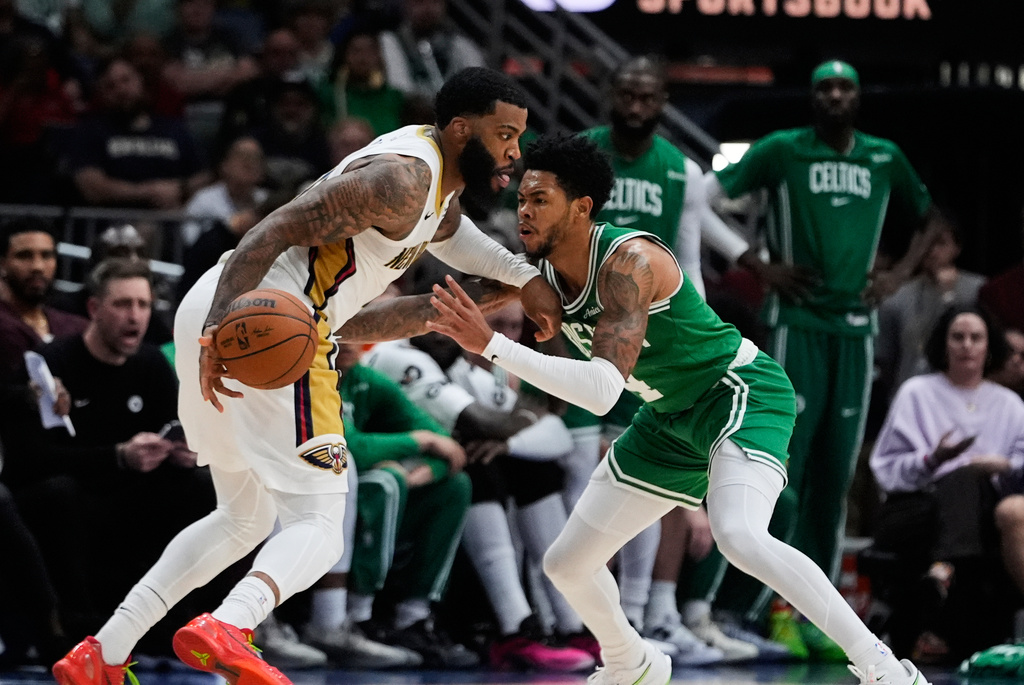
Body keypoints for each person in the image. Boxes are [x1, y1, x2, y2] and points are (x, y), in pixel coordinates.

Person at [336, 132, 931, 685]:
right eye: (521, 199)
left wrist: (491, 345)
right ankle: (631, 662)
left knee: (740, 536)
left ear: (582, 207)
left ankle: (883, 667)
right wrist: (322, 322)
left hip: (736, 393)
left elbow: (600, 392)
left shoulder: (628, 264)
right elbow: (426, 311)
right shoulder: (537, 274)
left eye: (539, 200)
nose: (523, 212)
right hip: (668, 416)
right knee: (567, 563)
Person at [52, 66, 561, 685]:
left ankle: (101, 654)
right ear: (461, 130)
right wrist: (223, 328)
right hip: (257, 316)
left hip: (233, 311)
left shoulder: (433, 193)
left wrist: (527, 281)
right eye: (504, 135)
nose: (514, 152)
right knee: (321, 526)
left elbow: (446, 265)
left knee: (242, 517)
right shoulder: (404, 179)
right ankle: (230, 625)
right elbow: (275, 227)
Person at [702, 60, 949, 638]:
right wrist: (756, 263)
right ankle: (743, 606)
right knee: (779, 465)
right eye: (824, 88)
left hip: (856, 331)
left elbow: (930, 217)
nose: (835, 96)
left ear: (858, 97)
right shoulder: (782, 150)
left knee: (835, 476)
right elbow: (702, 198)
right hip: (794, 322)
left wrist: (899, 277)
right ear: (811, 98)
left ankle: (815, 613)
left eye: (844, 88)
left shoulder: (884, 156)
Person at [578, 54, 755, 663]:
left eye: (646, 95)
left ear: (662, 102)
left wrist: (701, 344)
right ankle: (611, 617)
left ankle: (657, 612)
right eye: (625, 92)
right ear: (609, 94)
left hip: (657, 343)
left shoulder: (681, 170)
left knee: (676, 469)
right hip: (589, 329)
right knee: (604, 472)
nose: (634, 104)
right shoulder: (581, 155)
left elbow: (686, 262)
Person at [869, 305, 1024, 661]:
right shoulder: (916, 392)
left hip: (986, 508)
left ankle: (944, 573)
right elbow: (886, 470)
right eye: (958, 337)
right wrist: (933, 459)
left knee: (971, 480)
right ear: (943, 343)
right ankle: (944, 576)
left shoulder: (1010, 404)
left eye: (976, 338)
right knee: (960, 477)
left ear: (990, 346)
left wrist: (1003, 465)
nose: (966, 345)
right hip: (917, 504)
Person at [62, 57, 211, 210]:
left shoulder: (174, 130)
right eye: (110, 86)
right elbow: (92, 187)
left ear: (140, 80)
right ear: (101, 94)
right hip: (113, 225)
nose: (120, 90)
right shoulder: (90, 131)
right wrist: (149, 191)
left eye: (126, 80)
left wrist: (181, 188)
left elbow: (203, 177)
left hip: (172, 219)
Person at [876, 222, 985, 402]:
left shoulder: (977, 290)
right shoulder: (897, 297)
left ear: (956, 248)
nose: (932, 251)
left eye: (941, 244)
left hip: (963, 397)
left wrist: (947, 295)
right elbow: (886, 359)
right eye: (926, 244)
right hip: (911, 397)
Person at [378, 0, 484, 100]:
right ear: (406, 5)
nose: (428, 8)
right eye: (420, 2)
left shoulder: (458, 43)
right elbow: (400, 88)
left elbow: (479, 84)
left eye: (435, 1)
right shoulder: (390, 41)